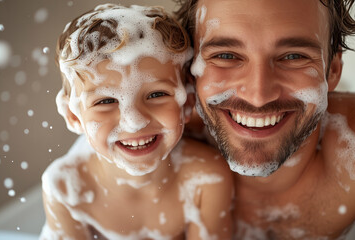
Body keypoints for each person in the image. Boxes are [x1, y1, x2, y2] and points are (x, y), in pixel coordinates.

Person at [174, 0, 355, 239]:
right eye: (226, 55)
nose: (258, 96)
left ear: (332, 70)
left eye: (293, 56)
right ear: (190, 70)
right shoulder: (162, 143)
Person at [39, 4, 234, 240]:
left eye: (156, 95)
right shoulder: (65, 187)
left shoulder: (206, 177)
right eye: (106, 101)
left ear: (187, 103)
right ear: (73, 116)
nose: (134, 122)